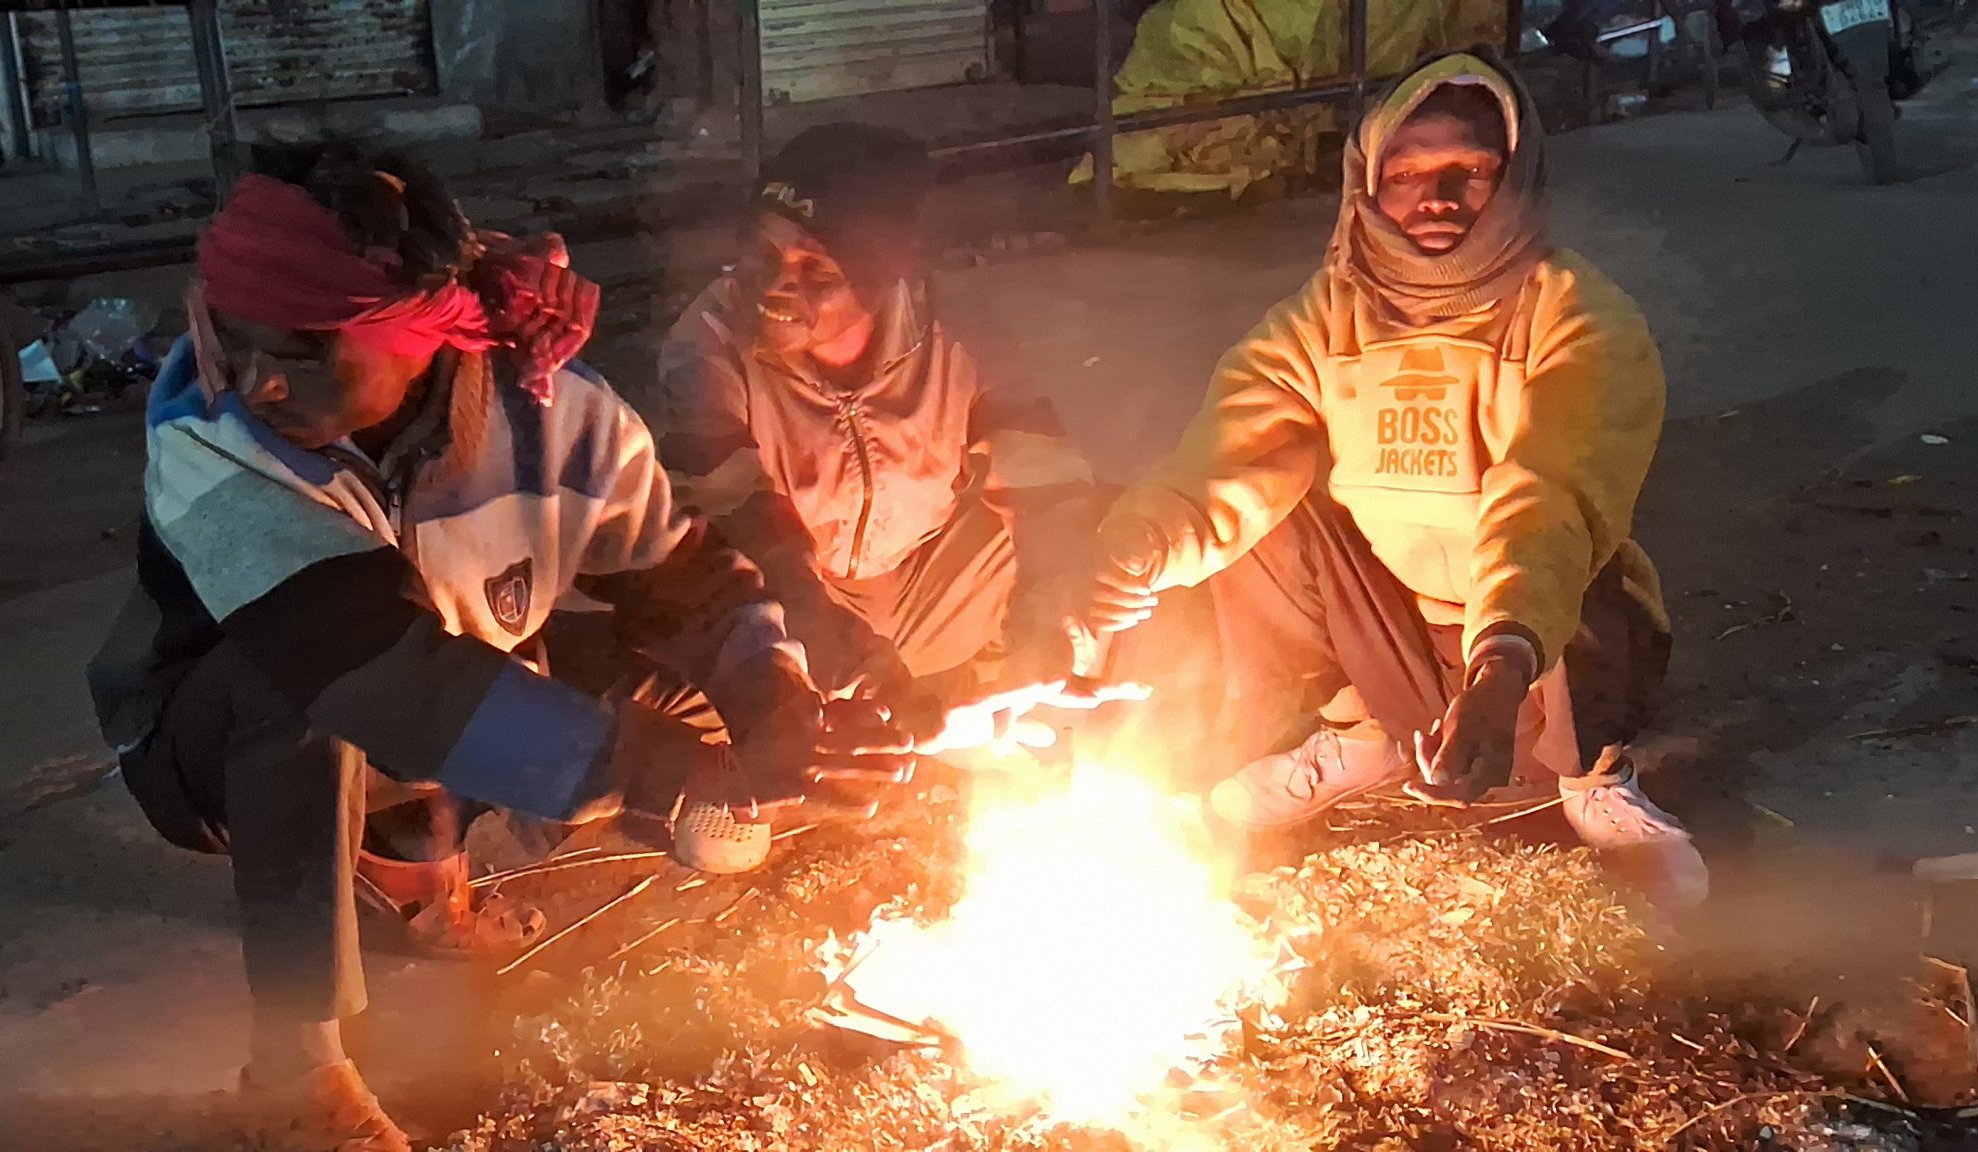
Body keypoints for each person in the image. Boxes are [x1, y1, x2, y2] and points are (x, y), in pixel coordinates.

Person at [84, 141, 911, 1152]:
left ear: (419, 338)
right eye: (230, 341)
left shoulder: (558, 415)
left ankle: (415, 864)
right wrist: (659, 774)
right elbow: (375, 676)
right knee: (299, 687)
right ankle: (294, 1073)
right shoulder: (210, 435)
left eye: (298, 354)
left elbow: (679, 576)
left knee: (675, 687)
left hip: (426, 689)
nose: (254, 385)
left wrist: (774, 702)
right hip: (214, 748)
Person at [1085, 52, 1707, 908]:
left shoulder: (1575, 312)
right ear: (1368, 185)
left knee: (1578, 555)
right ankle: (1361, 734)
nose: (1437, 197)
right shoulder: (1325, 314)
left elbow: (1551, 495)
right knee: (1268, 506)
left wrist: (1500, 667)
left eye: (1470, 171)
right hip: (1395, 636)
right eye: (1407, 174)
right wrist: (1121, 563)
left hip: (1536, 652)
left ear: (1516, 175)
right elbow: (1227, 455)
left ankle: (1594, 777)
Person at [657, 123, 1119, 745]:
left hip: (926, 580)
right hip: (801, 589)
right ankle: (894, 726)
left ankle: (999, 709)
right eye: (761, 252)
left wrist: (1050, 620)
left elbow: (1045, 481)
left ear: (880, 277)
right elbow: (747, 530)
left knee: (1109, 550)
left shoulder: (959, 324)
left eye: (816, 270)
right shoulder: (709, 345)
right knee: (716, 681)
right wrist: (844, 652)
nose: (773, 284)